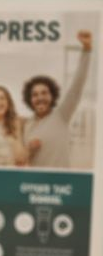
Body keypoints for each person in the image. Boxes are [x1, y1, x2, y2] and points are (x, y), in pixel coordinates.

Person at [25, 30, 93, 168]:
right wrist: (29, 150)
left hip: (60, 184)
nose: (40, 98)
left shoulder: (61, 115)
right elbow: (25, 159)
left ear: (52, 96)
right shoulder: (28, 125)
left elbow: (77, 85)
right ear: (30, 99)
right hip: (36, 183)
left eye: (44, 93)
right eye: (35, 94)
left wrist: (86, 50)